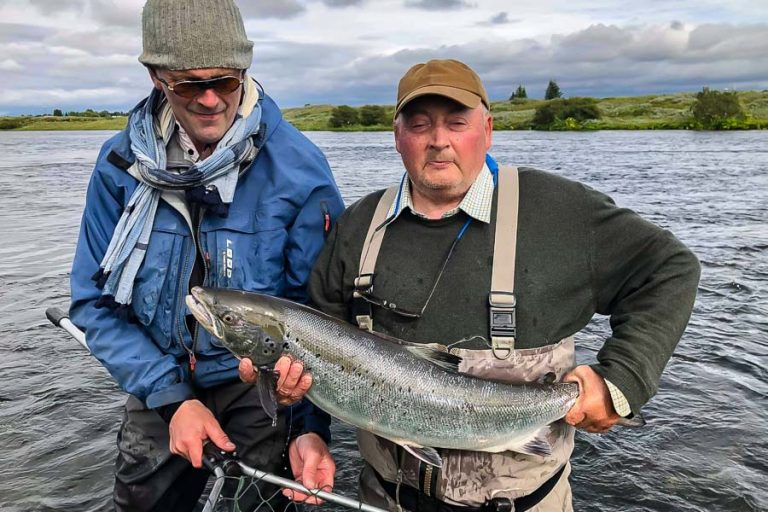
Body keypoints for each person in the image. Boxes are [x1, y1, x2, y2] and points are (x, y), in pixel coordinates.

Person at [301, 59, 701, 511]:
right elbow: (316, 342)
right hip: (384, 498)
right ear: (397, 136)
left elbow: (670, 268)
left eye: (457, 123)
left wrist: (621, 380)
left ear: (487, 130)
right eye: (419, 125)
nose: (439, 141)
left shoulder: (560, 211)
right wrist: (306, 425)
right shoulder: (358, 227)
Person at [69, 0, 343, 510]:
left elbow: (325, 319)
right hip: (156, 382)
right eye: (190, 84)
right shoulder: (118, 167)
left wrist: (309, 424)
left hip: (261, 389)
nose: (212, 98)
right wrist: (172, 400)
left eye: (228, 79)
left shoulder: (301, 170)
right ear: (156, 76)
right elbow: (92, 304)